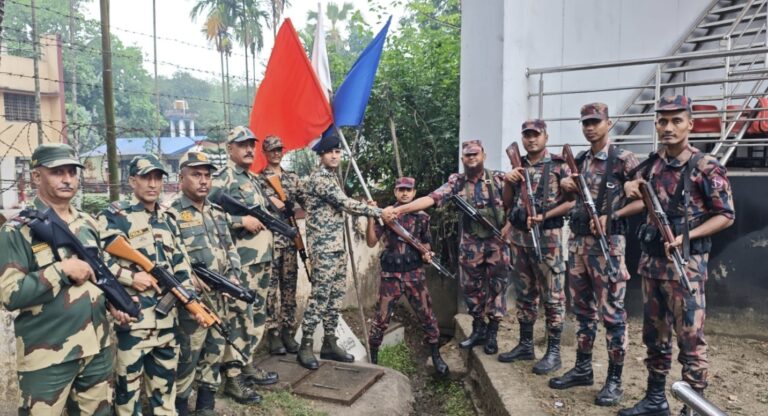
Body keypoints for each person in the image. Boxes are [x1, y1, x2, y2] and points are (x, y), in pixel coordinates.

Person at [618, 95, 735, 416]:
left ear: (690, 125)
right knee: (654, 335)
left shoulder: (705, 167)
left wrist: (687, 236)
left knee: (690, 339)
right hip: (652, 263)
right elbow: (640, 193)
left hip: (686, 266)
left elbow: (725, 215)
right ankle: (656, 400)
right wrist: (632, 188)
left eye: (676, 121)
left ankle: (693, 408)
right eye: (662, 121)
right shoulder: (652, 164)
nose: (668, 127)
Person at [0, 143, 131, 415]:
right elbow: (9, 294)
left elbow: (98, 275)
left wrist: (113, 304)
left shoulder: (87, 223)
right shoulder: (17, 230)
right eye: (57, 172)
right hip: (48, 356)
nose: (68, 179)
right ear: (36, 176)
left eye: (72, 172)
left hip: (97, 349)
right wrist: (60, 270)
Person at [548, 103, 639, 407]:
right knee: (583, 311)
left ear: (608, 123)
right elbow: (567, 195)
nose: (589, 127)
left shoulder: (622, 159)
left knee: (612, 313)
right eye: (585, 122)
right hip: (577, 244)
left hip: (608, 247)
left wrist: (611, 217)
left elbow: (642, 201)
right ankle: (583, 368)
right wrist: (565, 184)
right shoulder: (580, 160)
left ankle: (614, 380)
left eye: (595, 122)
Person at [98, 154, 203, 415]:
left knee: (165, 392)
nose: (153, 184)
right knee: (128, 394)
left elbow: (181, 262)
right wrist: (130, 276)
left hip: (167, 323)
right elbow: (98, 261)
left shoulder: (168, 218)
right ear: (132, 180)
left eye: (157, 178)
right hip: (133, 322)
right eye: (146, 177)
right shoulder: (115, 216)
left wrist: (189, 297)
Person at [389, 139, 510, 356]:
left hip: (496, 244)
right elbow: (431, 198)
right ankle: (478, 328)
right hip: (470, 245)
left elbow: (516, 207)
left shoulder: (499, 179)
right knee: (470, 288)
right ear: (462, 158)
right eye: (467, 155)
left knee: (497, 287)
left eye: (475, 154)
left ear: (484, 155)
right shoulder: (457, 182)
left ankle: (492, 332)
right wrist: (401, 210)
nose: (471, 158)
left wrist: (508, 230)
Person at [167, 151, 261, 414]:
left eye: (207, 175)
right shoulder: (171, 214)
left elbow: (230, 249)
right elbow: (168, 256)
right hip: (192, 304)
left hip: (221, 298)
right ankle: (181, 406)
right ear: (181, 177)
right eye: (196, 174)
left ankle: (206, 405)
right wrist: (189, 278)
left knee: (215, 351)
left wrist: (234, 278)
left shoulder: (217, 211)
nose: (203, 181)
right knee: (189, 357)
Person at [296, 134, 396, 370]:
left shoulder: (332, 178)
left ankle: (330, 342)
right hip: (324, 248)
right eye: (330, 152)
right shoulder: (319, 179)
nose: (334, 155)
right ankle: (306, 345)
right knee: (321, 296)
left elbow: (345, 205)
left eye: (338, 152)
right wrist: (378, 213)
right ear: (321, 155)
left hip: (336, 246)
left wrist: (369, 210)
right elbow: (345, 203)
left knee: (335, 296)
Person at [210, 126, 279, 399]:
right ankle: (232, 376)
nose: (249, 149)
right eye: (242, 144)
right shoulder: (223, 178)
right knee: (239, 318)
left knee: (257, 315)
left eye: (252, 144)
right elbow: (208, 214)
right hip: (240, 263)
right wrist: (241, 221)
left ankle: (247, 363)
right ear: (230, 148)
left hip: (260, 260)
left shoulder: (251, 178)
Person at [498, 120, 572, 375]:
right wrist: (509, 181)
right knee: (525, 293)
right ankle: (526, 344)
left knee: (553, 296)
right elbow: (507, 203)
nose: (531, 140)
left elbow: (573, 202)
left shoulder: (559, 166)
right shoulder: (518, 166)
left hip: (548, 239)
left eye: (536, 135)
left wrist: (545, 214)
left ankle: (553, 352)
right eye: (527, 136)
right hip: (520, 239)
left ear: (545, 137)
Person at [366, 176, 448, 375]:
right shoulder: (385, 215)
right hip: (390, 277)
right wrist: (371, 215)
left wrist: (428, 255)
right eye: (401, 189)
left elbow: (426, 244)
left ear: (414, 192)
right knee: (381, 319)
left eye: (408, 190)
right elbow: (370, 242)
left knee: (427, 316)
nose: (404, 193)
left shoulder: (422, 217)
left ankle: (436, 355)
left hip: (415, 275)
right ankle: (373, 359)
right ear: (395, 192)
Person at [259, 136, 305, 355]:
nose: (276, 153)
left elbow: (306, 200)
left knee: (289, 287)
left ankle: (287, 329)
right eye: (272, 150)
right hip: (269, 242)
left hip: (289, 242)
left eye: (279, 149)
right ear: (265, 153)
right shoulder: (258, 180)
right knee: (270, 290)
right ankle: (273, 333)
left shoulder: (292, 179)